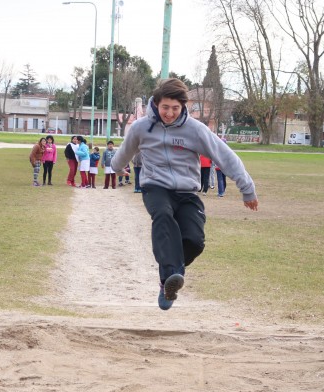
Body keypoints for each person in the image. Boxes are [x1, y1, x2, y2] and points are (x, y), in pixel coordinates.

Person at [111, 78, 259, 310]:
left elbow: (225, 156)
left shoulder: (195, 130)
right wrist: (117, 168)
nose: (169, 113)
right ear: (156, 104)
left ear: (183, 107)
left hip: (187, 190)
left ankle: (171, 279)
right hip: (155, 186)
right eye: (165, 107)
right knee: (163, 216)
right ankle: (168, 276)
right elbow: (125, 151)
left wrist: (247, 188)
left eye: (175, 108)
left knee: (194, 241)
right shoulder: (141, 128)